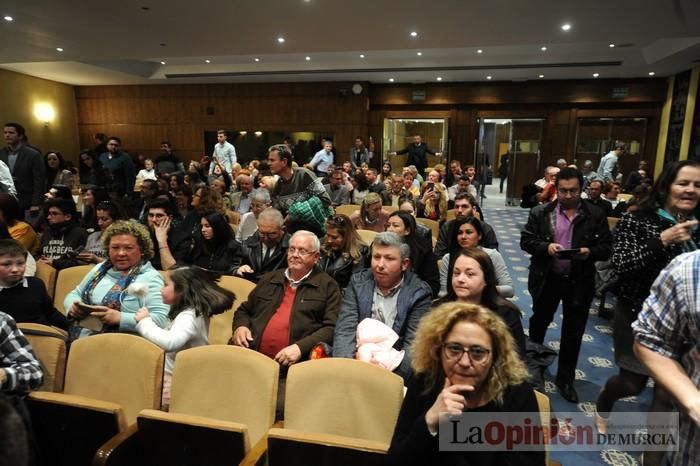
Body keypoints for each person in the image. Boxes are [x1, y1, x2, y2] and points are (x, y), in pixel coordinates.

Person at [595, 160, 699, 435]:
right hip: (638, 314)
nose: (690, 190)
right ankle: (605, 400)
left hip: (689, 323)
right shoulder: (637, 219)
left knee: (668, 391)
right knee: (633, 384)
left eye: (697, 185)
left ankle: (654, 453)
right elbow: (621, 265)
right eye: (683, 183)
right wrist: (661, 240)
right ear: (666, 187)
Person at [387, 302, 543, 466]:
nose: (464, 362)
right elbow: (395, 461)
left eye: (477, 352)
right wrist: (430, 421)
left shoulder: (517, 393)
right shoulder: (425, 381)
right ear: (439, 350)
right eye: (454, 348)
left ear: (495, 357)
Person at [520, 167, 612, 402]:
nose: (568, 195)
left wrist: (589, 252)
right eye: (563, 190)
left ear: (581, 189)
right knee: (538, 324)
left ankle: (565, 379)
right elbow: (527, 241)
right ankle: (534, 373)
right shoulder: (541, 212)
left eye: (573, 191)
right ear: (555, 188)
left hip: (579, 281)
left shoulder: (595, 214)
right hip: (547, 278)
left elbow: (607, 248)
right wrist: (546, 248)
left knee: (573, 332)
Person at [231, 230, 340, 414]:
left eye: (302, 251)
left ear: (316, 257)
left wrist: (300, 348)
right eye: (292, 249)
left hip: (290, 372)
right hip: (250, 362)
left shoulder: (328, 286)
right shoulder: (271, 278)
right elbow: (244, 310)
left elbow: (331, 328)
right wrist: (240, 327)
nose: (295, 255)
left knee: (276, 409)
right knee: (227, 398)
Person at [333, 232, 433, 381]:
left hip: (393, 372)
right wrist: (348, 372)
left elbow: (413, 347)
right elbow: (345, 330)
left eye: (389, 258)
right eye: (376, 257)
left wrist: (386, 382)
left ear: (404, 264)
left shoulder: (419, 293)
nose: (380, 265)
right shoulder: (358, 283)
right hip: (355, 367)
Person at [633, 250, 700, 466]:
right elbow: (652, 342)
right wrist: (692, 400)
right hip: (640, 303)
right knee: (633, 386)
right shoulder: (689, 270)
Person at [136, 265, 235, 406]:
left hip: (176, 381)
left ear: (182, 290)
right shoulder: (188, 312)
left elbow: (170, 342)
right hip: (176, 376)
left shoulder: (189, 316)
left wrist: (145, 322)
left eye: (165, 285)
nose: (160, 289)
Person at [65, 221, 169, 339]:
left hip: (123, 345)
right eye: (115, 248)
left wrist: (120, 318)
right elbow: (75, 293)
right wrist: (72, 308)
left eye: (128, 248)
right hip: (82, 340)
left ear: (142, 250)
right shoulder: (100, 268)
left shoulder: (150, 277)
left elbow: (162, 320)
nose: (121, 253)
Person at [436, 247, 524, 354]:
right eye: (456, 273)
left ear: (486, 279)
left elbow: (516, 362)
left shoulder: (506, 315)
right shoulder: (438, 309)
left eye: (470, 274)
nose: (460, 279)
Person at [0, 239, 69, 330]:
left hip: (42, 334)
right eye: (7, 264)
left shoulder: (36, 284)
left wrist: (71, 327)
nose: (15, 269)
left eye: (20, 263)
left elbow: (51, 313)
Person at [438, 217, 513, 299]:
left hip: (487, 302)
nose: (463, 236)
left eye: (469, 232)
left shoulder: (492, 255)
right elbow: (443, 293)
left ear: (479, 235)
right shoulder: (448, 258)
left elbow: (509, 290)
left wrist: (479, 289)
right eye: (459, 233)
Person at [268, 144, 332, 236]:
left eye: (272, 160)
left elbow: (325, 200)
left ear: (284, 162)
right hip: (293, 234)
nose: (268, 163)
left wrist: (296, 211)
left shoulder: (304, 175)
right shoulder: (278, 187)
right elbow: (279, 215)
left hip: (317, 231)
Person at [385, 211, 440, 296]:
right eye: (388, 225)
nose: (389, 229)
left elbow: (433, 284)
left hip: (413, 295)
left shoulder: (422, 252)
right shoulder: (378, 247)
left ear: (407, 231)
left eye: (395, 226)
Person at [0, 123, 45, 219]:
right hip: (6, 199)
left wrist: (36, 203)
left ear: (20, 136)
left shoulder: (33, 154)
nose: (7, 135)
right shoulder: (1, 153)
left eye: (11, 133)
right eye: (5, 132)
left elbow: (39, 180)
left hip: (26, 199)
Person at [233, 207, 290, 282]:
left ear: (282, 230)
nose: (266, 238)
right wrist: (238, 270)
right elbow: (232, 266)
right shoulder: (247, 245)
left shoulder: (292, 248)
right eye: (262, 233)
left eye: (271, 234)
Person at [434, 192, 498, 258]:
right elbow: (439, 255)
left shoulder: (486, 228)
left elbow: (493, 258)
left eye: (464, 206)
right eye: (457, 207)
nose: (459, 210)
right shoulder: (447, 227)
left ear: (473, 210)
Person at [318, 214, 368, 289]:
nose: (329, 240)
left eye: (334, 237)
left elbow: (356, 286)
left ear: (347, 236)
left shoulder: (360, 252)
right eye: (328, 235)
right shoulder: (323, 243)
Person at [39, 198, 88, 270]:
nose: (49, 217)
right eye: (49, 214)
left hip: (68, 274)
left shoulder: (80, 233)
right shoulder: (47, 232)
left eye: (54, 214)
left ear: (67, 217)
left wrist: (55, 263)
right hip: (46, 272)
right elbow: (38, 253)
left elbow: (82, 261)